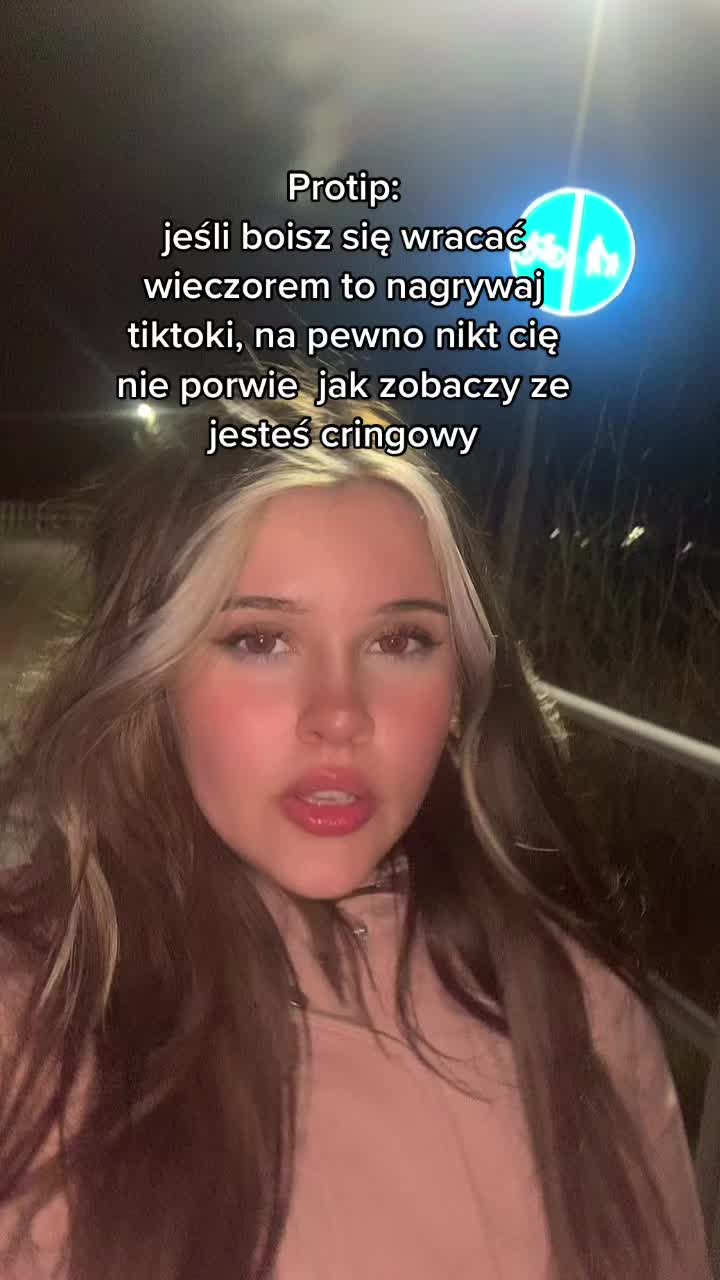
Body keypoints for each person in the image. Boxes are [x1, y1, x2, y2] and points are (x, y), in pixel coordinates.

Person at [0, 384, 711, 1280]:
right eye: (261, 640)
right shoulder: (32, 1029)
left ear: (461, 691)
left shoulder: (579, 1007)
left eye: (399, 641)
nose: (340, 715)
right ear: (154, 679)